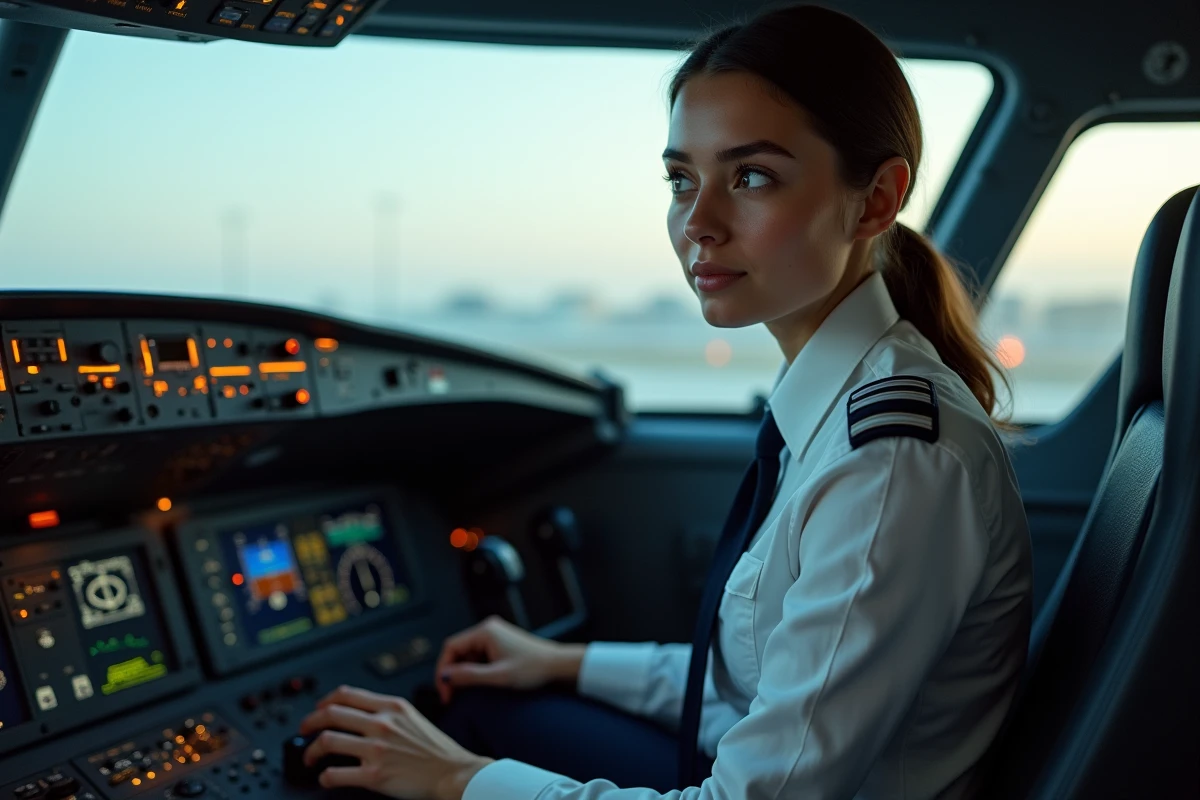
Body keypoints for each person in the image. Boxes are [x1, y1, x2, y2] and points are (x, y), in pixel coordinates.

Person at [296, 5, 1034, 798]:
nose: (698, 223)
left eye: (751, 177)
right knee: (479, 701)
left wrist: (454, 779)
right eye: (682, 180)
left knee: (451, 743)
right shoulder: (838, 406)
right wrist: (565, 662)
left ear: (876, 200)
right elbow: (767, 683)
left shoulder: (890, 463)